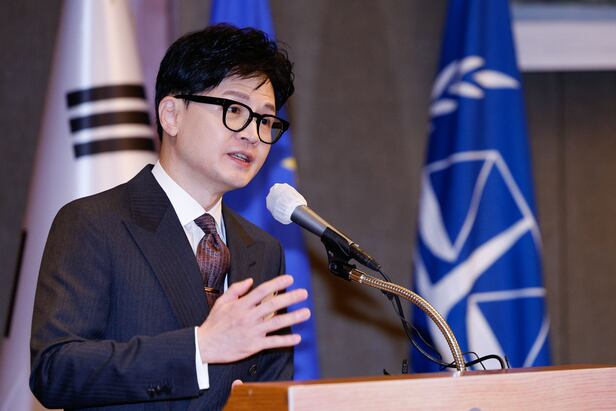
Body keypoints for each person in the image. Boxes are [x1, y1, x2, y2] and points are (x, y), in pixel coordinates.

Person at [30, 24, 310, 410]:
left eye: (265, 120)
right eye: (234, 110)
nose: (252, 135)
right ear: (171, 115)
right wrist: (198, 349)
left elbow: (270, 390)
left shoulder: (263, 250)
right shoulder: (93, 223)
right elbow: (55, 370)